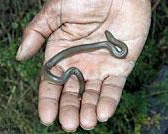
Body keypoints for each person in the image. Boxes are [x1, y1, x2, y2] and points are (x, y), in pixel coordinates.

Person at [16, 0, 151, 132]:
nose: (108, 37)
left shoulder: (113, 46)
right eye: (108, 37)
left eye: (109, 37)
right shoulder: (110, 44)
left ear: (111, 39)